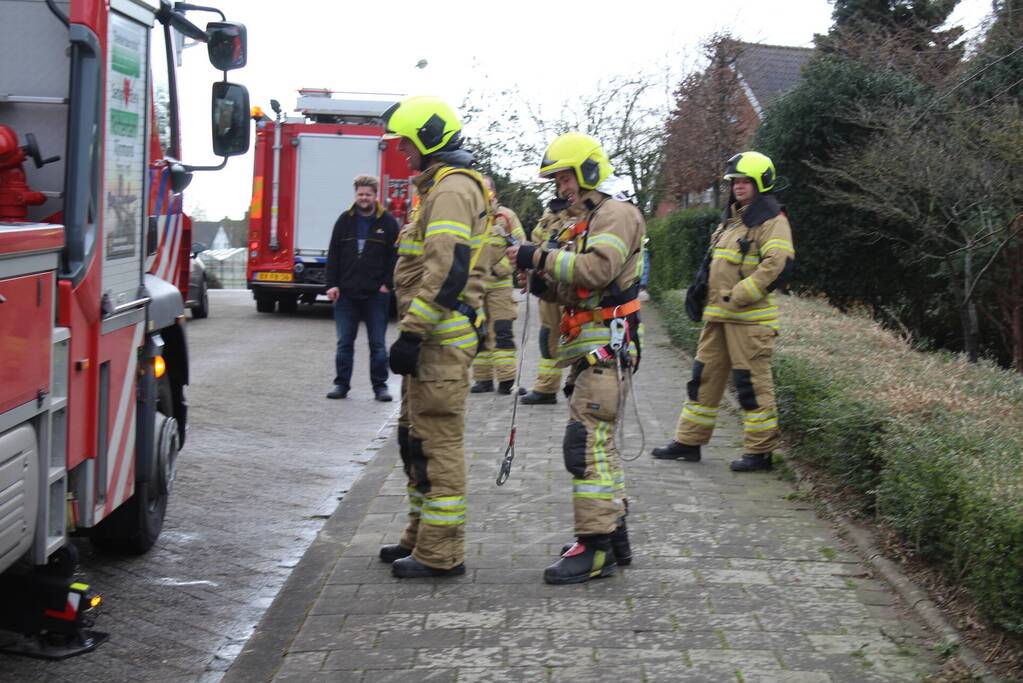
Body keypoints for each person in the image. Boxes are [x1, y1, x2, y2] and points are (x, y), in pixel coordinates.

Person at [509, 132, 644, 584]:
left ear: (588, 170)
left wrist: (540, 256)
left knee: (584, 448)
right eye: (558, 179)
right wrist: (543, 280)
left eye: (566, 177)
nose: (561, 187)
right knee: (601, 450)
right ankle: (614, 536)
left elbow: (600, 269)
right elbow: (580, 285)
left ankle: (595, 548)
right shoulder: (587, 219)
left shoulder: (616, 214)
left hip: (606, 352)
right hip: (593, 353)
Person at [377, 95, 490, 578]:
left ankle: (441, 553)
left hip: (439, 341)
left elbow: (447, 271)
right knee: (414, 439)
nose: (402, 153)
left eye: (406, 144)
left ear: (427, 140)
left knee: (437, 443)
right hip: (431, 341)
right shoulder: (440, 188)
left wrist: (413, 331)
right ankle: (419, 535)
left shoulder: (451, 190)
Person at [651, 151, 795, 472]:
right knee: (702, 381)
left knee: (752, 386)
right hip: (718, 318)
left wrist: (740, 295)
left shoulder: (773, 221)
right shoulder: (730, 221)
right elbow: (714, 263)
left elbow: (777, 266)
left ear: (761, 183)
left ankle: (760, 454)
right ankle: (688, 442)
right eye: (735, 182)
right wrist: (698, 289)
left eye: (745, 181)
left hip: (749, 322)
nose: (739, 187)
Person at [324, 175, 399, 402]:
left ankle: (380, 387)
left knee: (377, 345)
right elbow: (334, 254)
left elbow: (395, 256)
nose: (364, 198)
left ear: (375, 196)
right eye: (360, 194)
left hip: (376, 295)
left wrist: (388, 284)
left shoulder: (387, 222)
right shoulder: (344, 221)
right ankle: (341, 385)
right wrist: (331, 284)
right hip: (346, 294)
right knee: (344, 343)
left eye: (368, 194)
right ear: (355, 195)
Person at [470, 176, 528, 395]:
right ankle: (482, 380)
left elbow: (520, 246)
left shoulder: (506, 216)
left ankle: (507, 381)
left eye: (487, 190)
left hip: (500, 287)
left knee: (502, 332)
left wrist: (499, 268)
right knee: (479, 333)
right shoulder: (470, 216)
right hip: (475, 287)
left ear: (494, 192)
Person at [520, 198, 572, 405]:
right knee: (548, 337)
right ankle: (547, 388)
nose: (562, 186)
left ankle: (580, 387)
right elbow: (536, 243)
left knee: (579, 336)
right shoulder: (548, 216)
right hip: (549, 285)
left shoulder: (586, 212)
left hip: (573, 284)